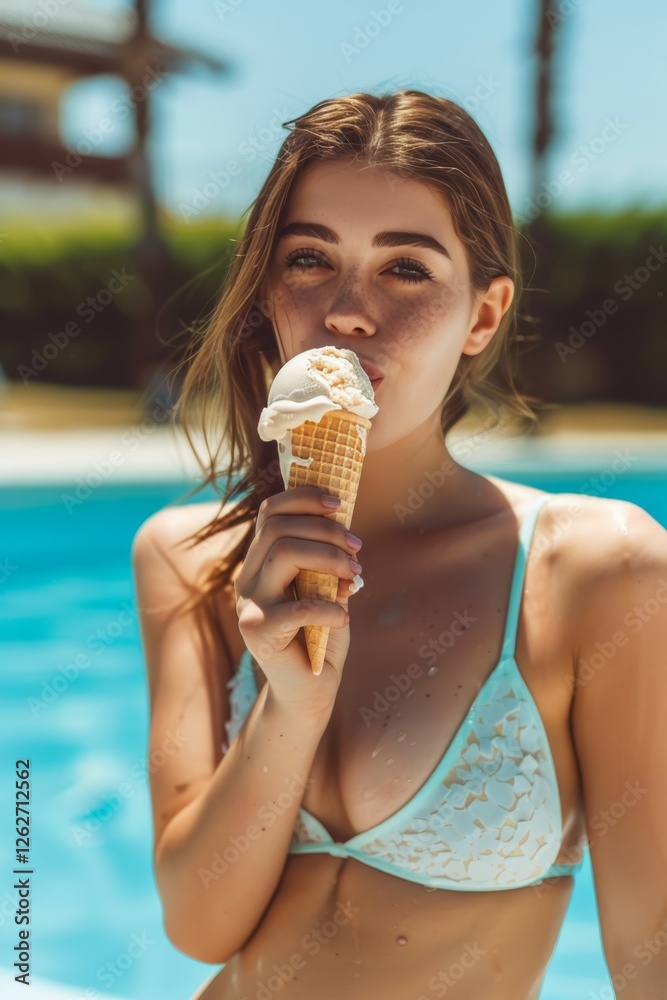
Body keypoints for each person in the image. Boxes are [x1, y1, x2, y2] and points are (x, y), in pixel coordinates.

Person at [131, 90, 667, 998]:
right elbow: (197, 924)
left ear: (483, 317)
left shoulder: (598, 569)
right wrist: (288, 707)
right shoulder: (188, 558)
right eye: (310, 259)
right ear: (268, 295)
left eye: (406, 270)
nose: (347, 311)